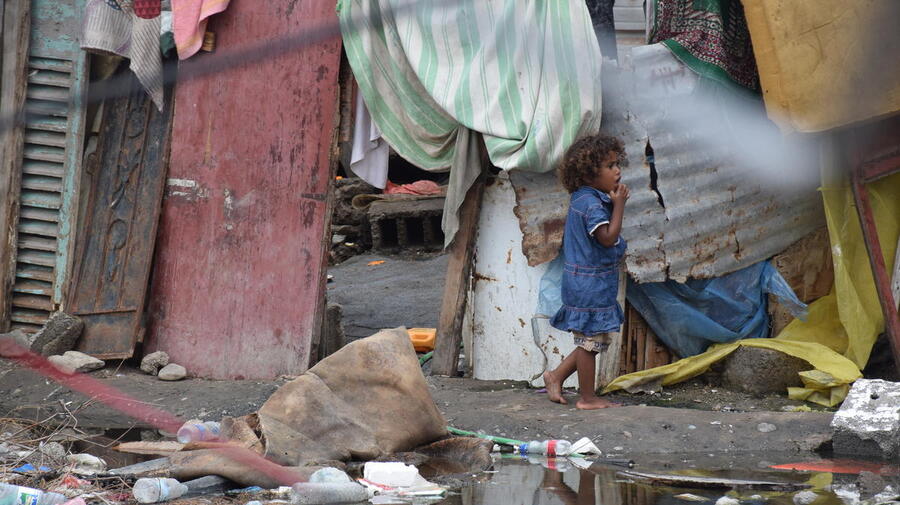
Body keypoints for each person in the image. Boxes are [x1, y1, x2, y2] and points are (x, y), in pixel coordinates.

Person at [543, 134, 628, 410]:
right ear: (589, 173)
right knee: (589, 342)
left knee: (590, 339)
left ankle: (555, 376)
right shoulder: (591, 204)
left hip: (591, 282)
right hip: (588, 285)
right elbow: (606, 237)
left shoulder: (585, 198)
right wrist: (619, 206)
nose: (617, 171)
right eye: (609, 166)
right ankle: (588, 398)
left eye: (617, 164)